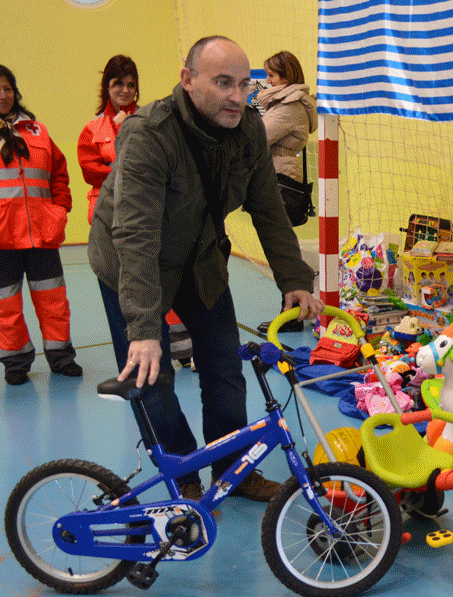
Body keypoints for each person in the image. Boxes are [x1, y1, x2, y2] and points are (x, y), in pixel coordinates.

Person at [87, 36, 323, 501]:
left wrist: (295, 280)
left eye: (244, 84)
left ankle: (233, 467)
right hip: (132, 266)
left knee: (224, 367)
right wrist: (143, 327)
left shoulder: (250, 129)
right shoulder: (148, 134)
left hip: (199, 259)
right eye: (222, 82)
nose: (237, 96)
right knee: (150, 375)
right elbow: (134, 237)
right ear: (187, 80)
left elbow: (268, 208)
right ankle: (185, 474)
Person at [0, 62, 82, 386]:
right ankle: (16, 362)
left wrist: (60, 208)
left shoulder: (37, 131)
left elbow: (58, 172)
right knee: (6, 305)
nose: (2, 95)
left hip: (41, 233)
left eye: (7, 88)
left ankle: (61, 357)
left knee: (53, 301)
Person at [255, 50, 318, 334]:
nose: (267, 82)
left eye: (271, 76)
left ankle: (292, 314)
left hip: (280, 178)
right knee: (283, 245)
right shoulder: (284, 103)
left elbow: (258, 137)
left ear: (286, 77)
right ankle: (290, 312)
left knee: (283, 247)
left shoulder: (290, 106)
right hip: (277, 174)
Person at [77, 55, 139, 224]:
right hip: (106, 214)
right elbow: (91, 172)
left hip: (142, 209)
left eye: (131, 85)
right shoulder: (91, 128)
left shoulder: (150, 122)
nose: (126, 90)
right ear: (107, 86)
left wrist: (127, 126)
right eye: (119, 83)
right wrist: (130, 174)